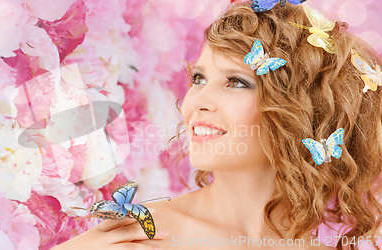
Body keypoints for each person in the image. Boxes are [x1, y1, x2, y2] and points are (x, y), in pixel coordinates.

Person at [53, 1, 382, 249]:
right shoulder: (139, 238)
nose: (197, 102)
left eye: (236, 82)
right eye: (199, 77)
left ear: (306, 109)